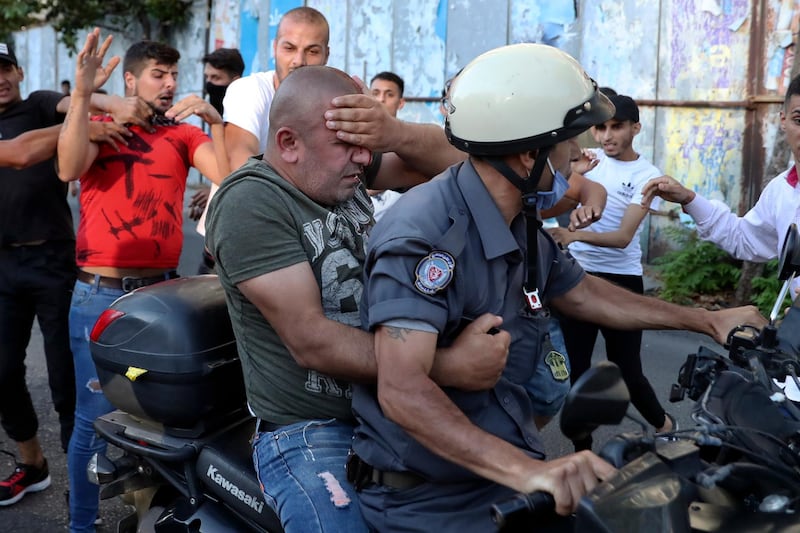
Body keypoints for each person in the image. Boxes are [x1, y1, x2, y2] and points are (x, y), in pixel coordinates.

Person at [348, 43, 765, 532]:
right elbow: (403, 390)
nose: (577, 158)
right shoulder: (424, 236)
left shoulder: (516, 218)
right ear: (529, 155)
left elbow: (583, 292)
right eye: (568, 146)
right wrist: (534, 471)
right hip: (431, 501)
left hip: (498, 478)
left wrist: (707, 321)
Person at [205, 65, 509, 533]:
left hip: (388, 406)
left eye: (366, 144)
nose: (363, 157)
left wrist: (396, 131)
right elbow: (312, 340)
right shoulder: (253, 201)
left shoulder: (338, 173)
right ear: (288, 143)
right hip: (310, 431)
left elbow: (468, 167)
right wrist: (448, 365)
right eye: (347, 144)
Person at [57, 29, 228, 532]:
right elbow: (67, 165)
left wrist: (215, 121)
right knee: (93, 418)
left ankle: (152, 518)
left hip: (160, 302)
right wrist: (85, 96)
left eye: (175, 74)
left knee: (157, 421)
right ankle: (80, 526)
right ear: (131, 80)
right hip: (100, 300)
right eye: (159, 74)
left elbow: (228, 174)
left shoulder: (182, 134)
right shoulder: (100, 125)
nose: (170, 83)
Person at [0, 40, 146, 507]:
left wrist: (107, 103)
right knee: (3, 374)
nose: (0, 79)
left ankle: (82, 488)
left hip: (56, 261)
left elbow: (78, 100)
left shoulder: (42, 102)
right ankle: (33, 464)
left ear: (20, 73)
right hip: (2, 266)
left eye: (6, 69)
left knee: (68, 381)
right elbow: (21, 153)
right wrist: (87, 126)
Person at [548, 94, 674, 450]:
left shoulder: (648, 176)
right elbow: (553, 193)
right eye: (601, 127)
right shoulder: (588, 161)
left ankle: (667, 427)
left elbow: (621, 238)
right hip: (577, 276)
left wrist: (572, 236)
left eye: (616, 126)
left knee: (628, 371)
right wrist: (577, 175)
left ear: (635, 128)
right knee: (577, 372)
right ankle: (582, 454)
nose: (606, 136)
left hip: (622, 280)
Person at [642, 72, 800, 298]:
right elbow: (744, 239)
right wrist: (689, 199)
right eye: (799, 120)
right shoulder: (781, 190)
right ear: (783, 120)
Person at [223, 6, 330, 170]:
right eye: (289, 48)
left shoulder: (334, 102)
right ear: (275, 48)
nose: (299, 60)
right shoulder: (248, 90)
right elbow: (241, 163)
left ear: (326, 56)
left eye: (312, 51)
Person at [189, 46, 246, 273]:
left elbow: (241, 170)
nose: (210, 84)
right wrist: (212, 187)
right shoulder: (216, 113)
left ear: (236, 81)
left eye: (216, 78)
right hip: (211, 240)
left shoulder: (245, 119)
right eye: (207, 77)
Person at [367, 71, 406, 221]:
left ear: (401, 102)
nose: (381, 100)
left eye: (389, 95)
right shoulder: (353, 136)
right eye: (375, 93)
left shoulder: (409, 143)